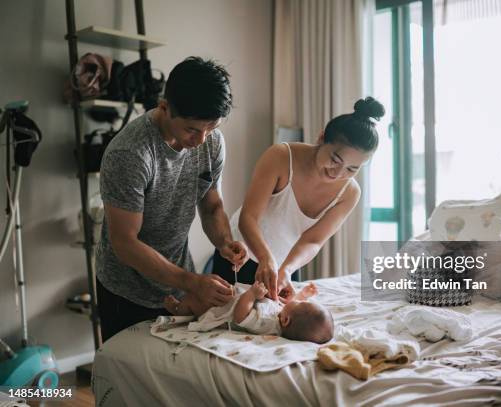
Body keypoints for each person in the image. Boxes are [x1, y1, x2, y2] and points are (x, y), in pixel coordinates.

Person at [96, 57, 247, 341]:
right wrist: (192, 282)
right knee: (126, 379)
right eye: (192, 129)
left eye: (211, 127)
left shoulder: (212, 142)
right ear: (165, 107)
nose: (202, 139)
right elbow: (125, 243)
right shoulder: (130, 153)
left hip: (179, 282)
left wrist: (225, 242)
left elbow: (211, 205)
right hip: (126, 290)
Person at [213, 97, 385, 301]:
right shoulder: (280, 157)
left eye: (352, 169)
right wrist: (265, 258)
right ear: (321, 138)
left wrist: (287, 269)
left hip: (285, 263)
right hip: (239, 254)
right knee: (223, 319)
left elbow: (313, 240)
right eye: (335, 160)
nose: (338, 173)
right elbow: (248, 218)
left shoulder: (349, 193)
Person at [164, 281, 333, 344]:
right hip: (233, 297)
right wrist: (301, 295)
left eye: (299, 303)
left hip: (221, 310)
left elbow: (240, 317)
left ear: (286, 321)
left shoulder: (267, 324)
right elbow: (287, 306)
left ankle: (179, 309)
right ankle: (182, 306)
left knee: (194, 302)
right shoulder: (284, 317)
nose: (295, 301)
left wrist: (251, 295)